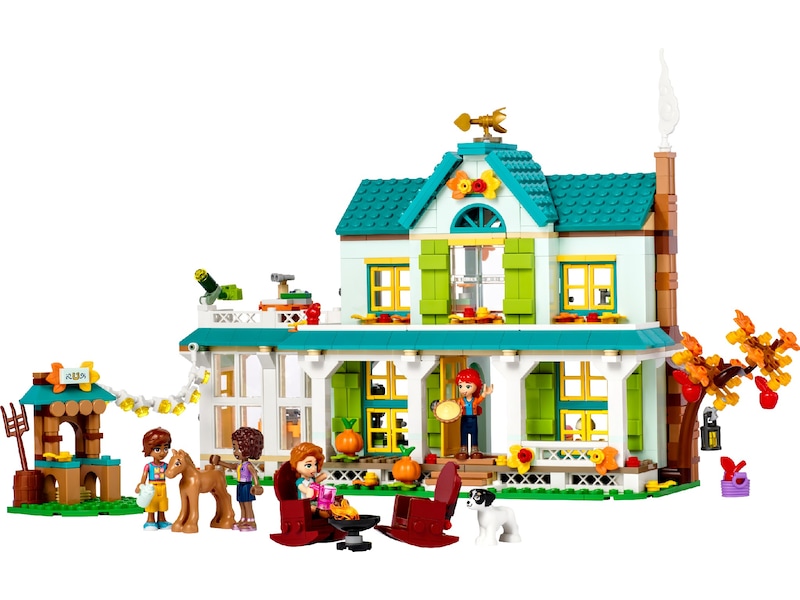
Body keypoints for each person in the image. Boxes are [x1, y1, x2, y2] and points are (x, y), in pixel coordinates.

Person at [210, 427, 264, 531]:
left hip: (247, 486)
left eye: (238, 449)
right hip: (240, 485)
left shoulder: (248, 465)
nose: (235, 452)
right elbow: (231, 466)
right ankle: (243, 519)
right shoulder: (240, 465)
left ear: (247, 448)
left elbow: (254, 474)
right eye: (234, 448)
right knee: (241, 502)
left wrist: (257, 485)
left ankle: (251, 521)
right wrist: (219, 462)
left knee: (247, 503)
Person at [136, 427, 172, 530]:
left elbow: (172, 472)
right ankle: (150, 521)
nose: (162, 453)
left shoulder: (166, 465)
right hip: (151, 488)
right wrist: (140, 485)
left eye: (165, 448)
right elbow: (144, 477)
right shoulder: (149, 466)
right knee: (151, 504)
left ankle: (162, 520)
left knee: (162, 504)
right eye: (157, 449)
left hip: (163, 488)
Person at [455, 368, 493, 460]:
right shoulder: (460, 400)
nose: (463, 389)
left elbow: (481, 399)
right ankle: (463, 449)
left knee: (474, 433)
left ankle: (474, 449)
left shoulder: (475, 400)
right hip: (464, 419)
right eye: (460, 386)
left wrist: (485, 393)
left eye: (468, 386)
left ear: (476, 386)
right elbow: (454, 407)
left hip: (473, 419)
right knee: (463, 434)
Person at [289, 441, 331, 517]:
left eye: (315, 464)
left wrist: (323, 476)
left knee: (326, 504)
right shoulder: (300, 481)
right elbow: (305, 490)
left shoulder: (311, 479)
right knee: (312, 508)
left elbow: (316, 481)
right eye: (308, 465)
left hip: (313, 501)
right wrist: (309, 491)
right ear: (296, 465)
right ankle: (320, 513)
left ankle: (329, 512)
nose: (314, 469)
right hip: (304, 504)